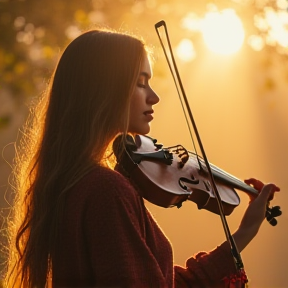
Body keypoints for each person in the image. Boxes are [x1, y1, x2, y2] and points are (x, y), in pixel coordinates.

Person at [4, 28, 280, 288]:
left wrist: (244, 233)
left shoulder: (72, 183)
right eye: (140, 83)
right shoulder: (105, 189)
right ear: (104, 89)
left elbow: (156, 280)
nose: (154, 97)